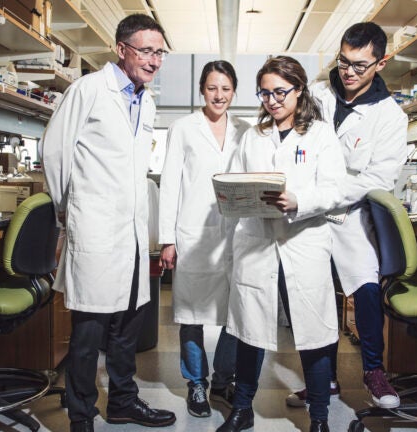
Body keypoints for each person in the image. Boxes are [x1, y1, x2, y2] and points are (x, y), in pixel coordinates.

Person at [41, 14, 176, 432]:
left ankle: (122, 401)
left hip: (132, 231)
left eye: (160, 52)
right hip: (96, 225)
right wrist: (74, 208)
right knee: (89, 330)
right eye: (146, 50)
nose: (154, 60)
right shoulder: (88, 90)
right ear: (121, 49)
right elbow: (54, 153)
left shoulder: (146, 99)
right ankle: (81, 414)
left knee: (128, 322)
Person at [217, 56, 346, 432]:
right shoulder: (253, 136)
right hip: (257, 242)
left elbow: (336, 190)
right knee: (249, 329)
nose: (272, 100)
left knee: (313, 332)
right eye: (265, 93)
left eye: (280, 92)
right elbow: (239, 181)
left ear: (299, 90)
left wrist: (299, 202)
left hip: (303, 243)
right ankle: (242, 410)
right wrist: (231, 196)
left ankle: (319, 417)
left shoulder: (320, 134)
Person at [285, 21, 408, 410]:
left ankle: (374, 371)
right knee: (311, 298)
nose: (349, 72)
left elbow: (378, 177)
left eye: (359, 65)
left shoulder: (390, 116)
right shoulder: (318, 96)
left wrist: (325, 196)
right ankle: (325, 380)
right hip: (309, 214)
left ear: (380, 63)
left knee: (366, 291)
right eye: (343, 62)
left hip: (351, 215)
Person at [158, 60, 250, 418]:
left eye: (226, 89)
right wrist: (168, 239)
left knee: (236, 311)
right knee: (191, 313)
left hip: (236, 233)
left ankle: (223, 378)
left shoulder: (246, 130)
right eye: (213, 88)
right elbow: (169, 186)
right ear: (202, 90)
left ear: (234, 92)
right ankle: (196, 383)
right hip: (193, 234)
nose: (219, 95)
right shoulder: (182, 128)